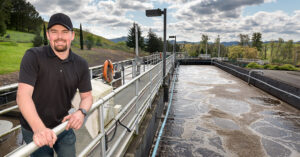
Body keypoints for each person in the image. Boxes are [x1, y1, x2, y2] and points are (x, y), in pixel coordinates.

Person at [17, 13, 93, 157]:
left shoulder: (81, 64)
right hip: (34, 129)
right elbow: (22, 96)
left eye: (65, 32)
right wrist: (39, 129)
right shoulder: (33, 56)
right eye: (54, 32)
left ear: (72, 35)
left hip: (63, 125)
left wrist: (81, 112)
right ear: (48, 35)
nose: (60, 37)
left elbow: (87, 96)